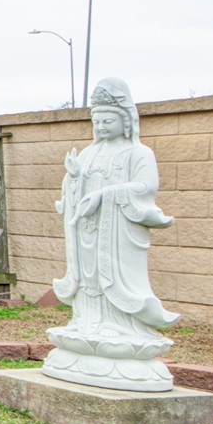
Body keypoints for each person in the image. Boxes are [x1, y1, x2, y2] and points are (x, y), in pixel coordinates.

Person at [45, 77, 177, 392]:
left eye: (109, 120)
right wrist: (74, 178)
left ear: (125, 120)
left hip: (116, 235)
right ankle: (87, 322)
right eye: (97, 121)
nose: (102, 126)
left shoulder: (138, 154)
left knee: (113, 277)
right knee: (88, 280)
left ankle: (121, 328)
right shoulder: (89, 153)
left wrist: (106, 195)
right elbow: (77, 189)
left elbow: (145, 188)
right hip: (87, 233)